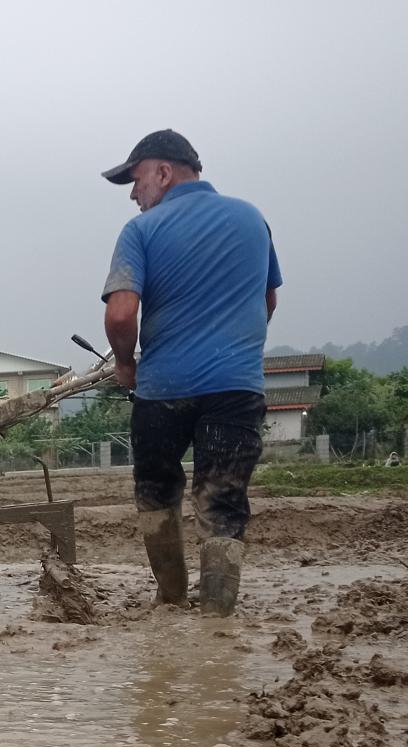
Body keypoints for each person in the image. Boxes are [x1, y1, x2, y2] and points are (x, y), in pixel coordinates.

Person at [100, 130, 281, 616]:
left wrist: (124, 363)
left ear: (163, 172)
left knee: (156, 491)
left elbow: (121, 314)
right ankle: (217, 620)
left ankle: (170, 598)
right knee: (221, 502)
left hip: (164, 391)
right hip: (237, 390)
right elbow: (267, 301)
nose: (134, 194)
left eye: (136, 181)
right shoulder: (252, 219)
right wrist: (233, 351)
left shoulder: (140, 231)